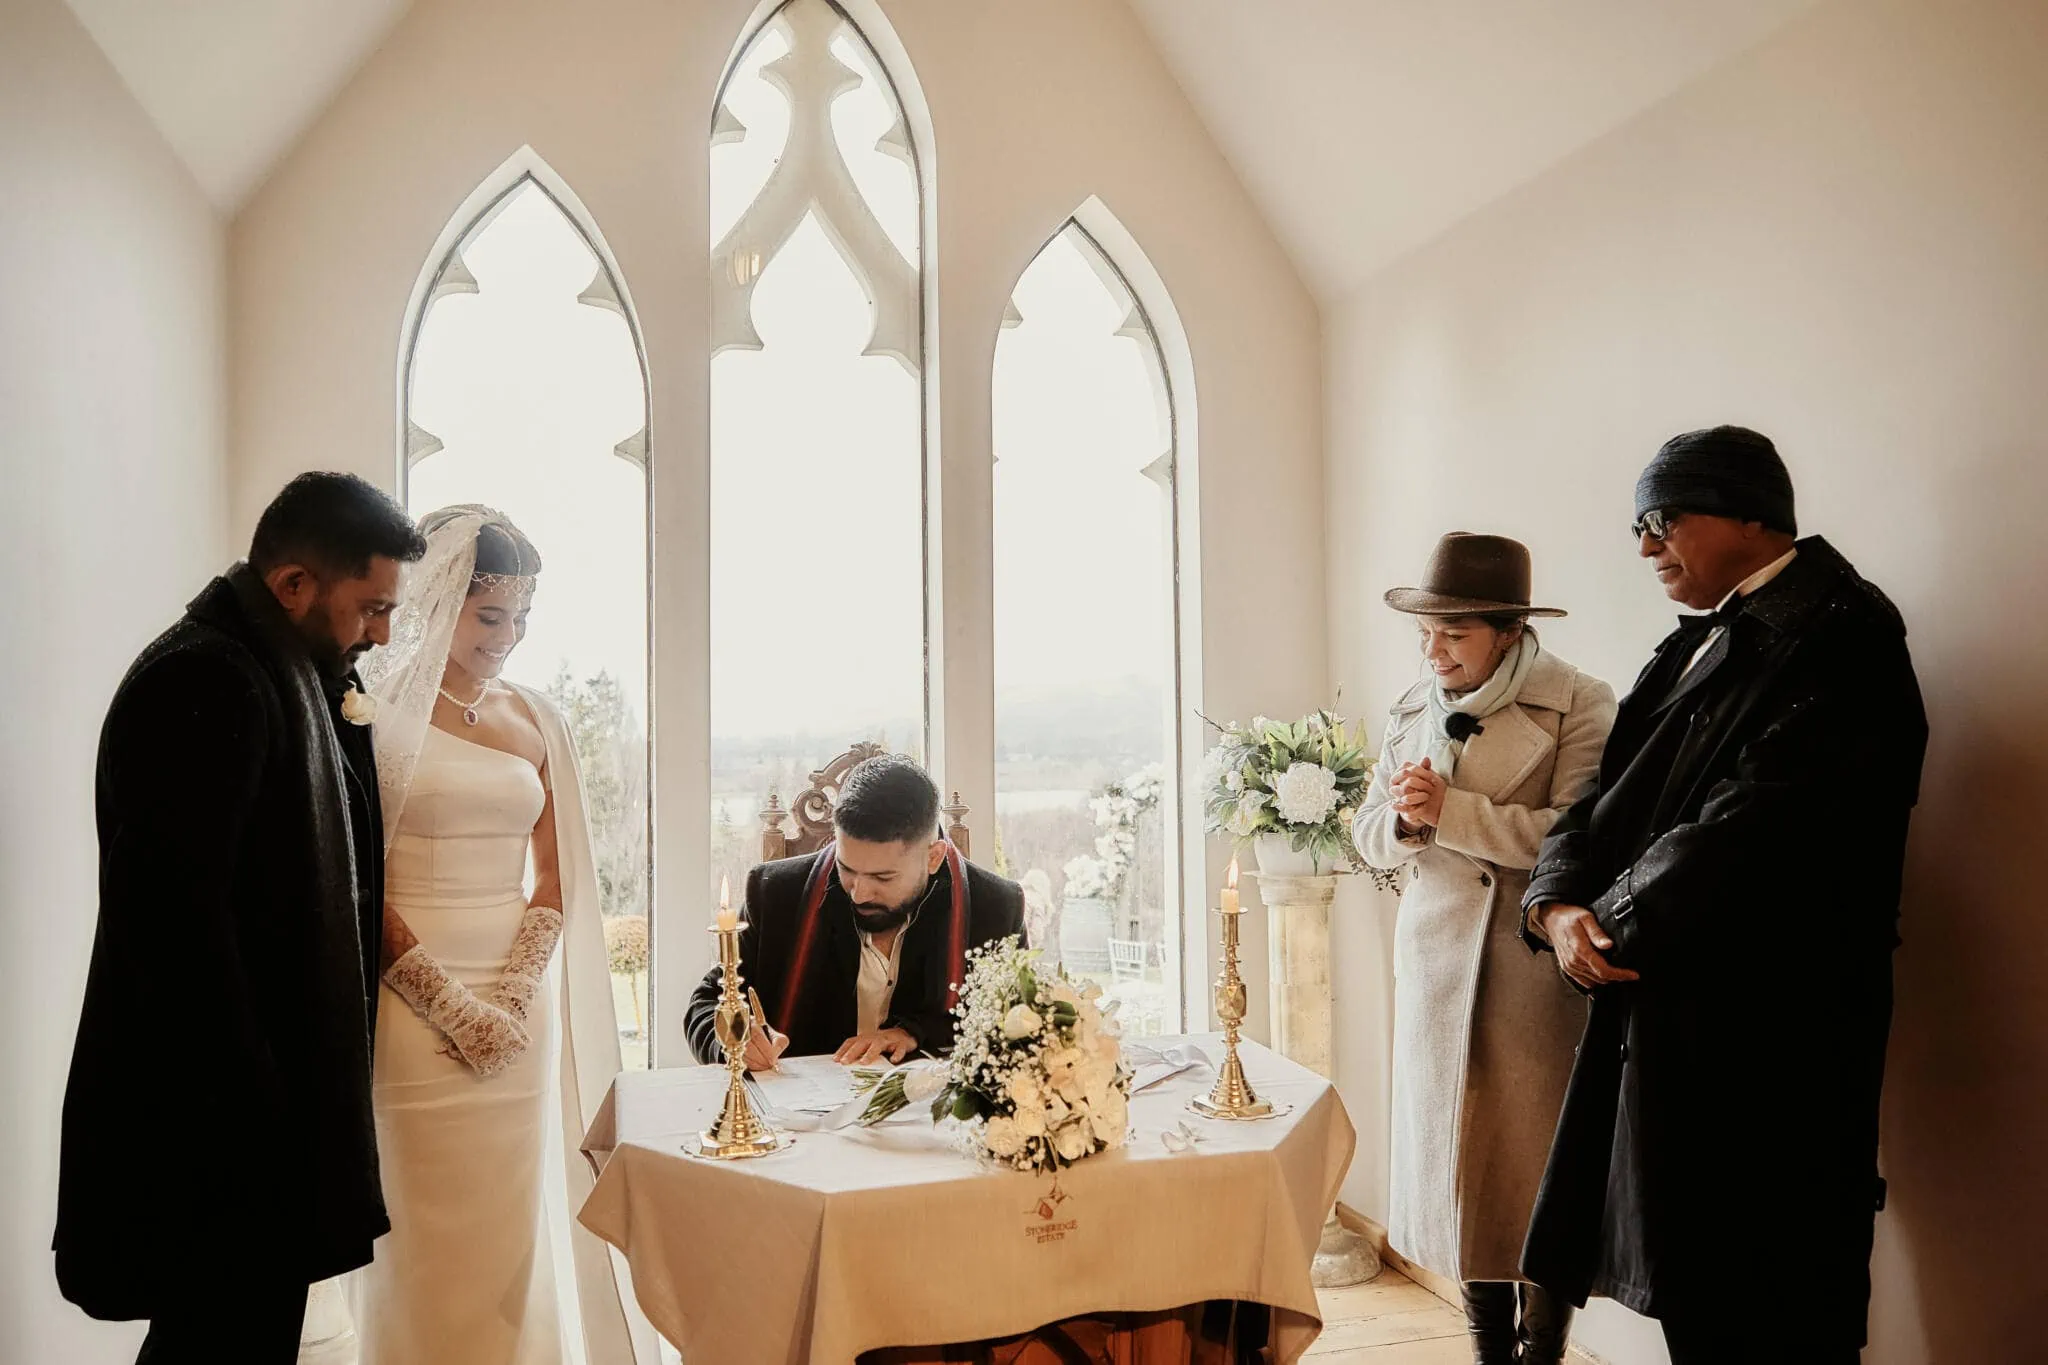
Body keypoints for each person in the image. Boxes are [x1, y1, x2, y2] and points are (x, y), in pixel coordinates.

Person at [1519, 427, 1927, 1365]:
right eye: (1638, 527)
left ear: (1752, 513)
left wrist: (1605, 920)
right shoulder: (1691, 645)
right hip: (1670, 1009)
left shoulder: (1845, 631)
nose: (1646, 546)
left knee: (1776, 1289)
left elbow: (1759, 826)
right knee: (1698, 1289)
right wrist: (1556, 903)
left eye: (1662, 520)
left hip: (1773, 1028)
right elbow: (1601, 795)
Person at [55, 473, 425, 1363]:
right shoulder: (201, 678)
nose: (379, 632)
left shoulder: (283, 667)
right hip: (220, 1134)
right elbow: (178, 939)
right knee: (212, 1344)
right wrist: (263, 1130)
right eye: (369, 607)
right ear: (294, 585)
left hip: (262, 1126)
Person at [351, 506, 652, 1365]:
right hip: (410, 1007)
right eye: (492, 616)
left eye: (521, 619)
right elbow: (358, 879)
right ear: (442, 598)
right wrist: (452, 1006)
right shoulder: (374, 713)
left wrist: (511, 998)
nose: (508, 637)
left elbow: (553, 878)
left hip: (518, 1013)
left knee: (505, 1235)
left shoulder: (535, 717)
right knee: (423, 1237)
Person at [1352, 533, 1616, 1365]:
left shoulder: (1580, 702)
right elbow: (1367, 837)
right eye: (1424, 632)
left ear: (1507, 630)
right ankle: (1486, 1353)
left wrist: (1450, 813)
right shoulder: (1408, 706)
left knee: (1533, 1178)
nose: (1433, 651)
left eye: (1453, 633)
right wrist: (1399, 820)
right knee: (1458, 1178)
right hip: (1435, 969)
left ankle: (1543, 1354)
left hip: (1531, 974)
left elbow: (1582, 836)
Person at [687, 754, 1024, 1069]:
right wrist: (731, 1039)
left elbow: (1019, 1029)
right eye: (846, 868)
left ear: (933, 857)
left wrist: (917, 1032)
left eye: (882, 877)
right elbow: (705, 1006)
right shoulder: (775, 893)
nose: (859, 893)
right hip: (795, 1122)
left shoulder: (995, 909)